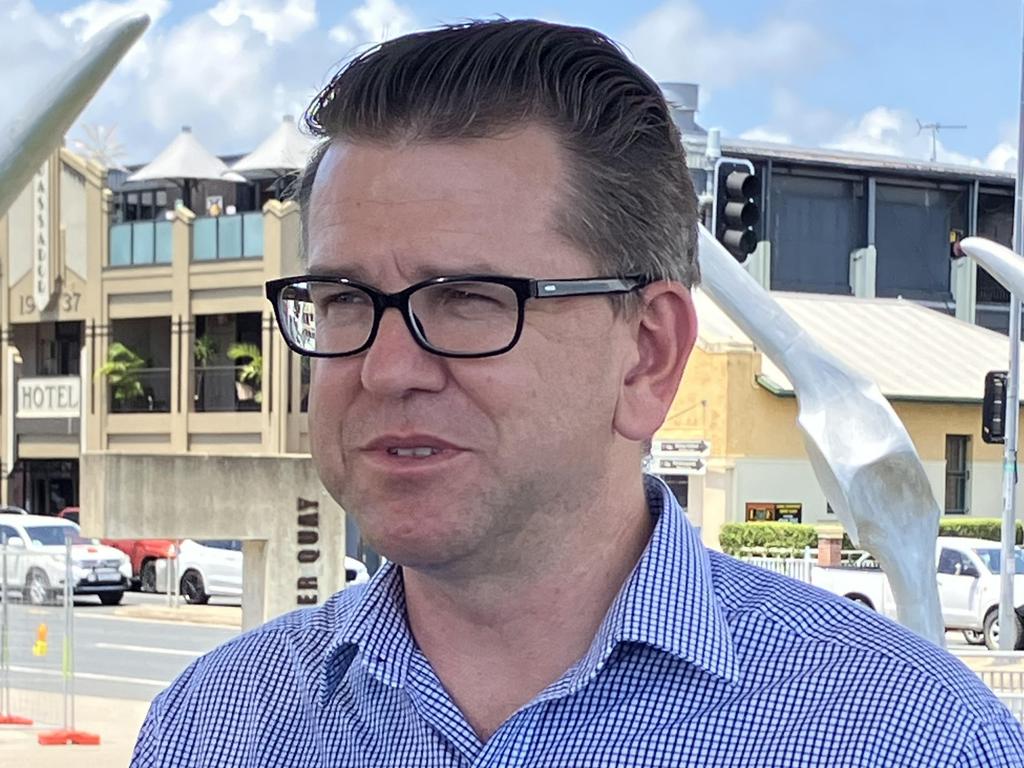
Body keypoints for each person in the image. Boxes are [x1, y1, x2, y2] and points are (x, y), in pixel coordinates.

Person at [132, 19, 1024, 767]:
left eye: (470, 300)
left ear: (647, 355)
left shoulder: (911, 739)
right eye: (344, 300)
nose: (387, 367)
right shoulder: (211, 728)